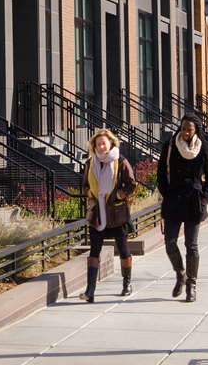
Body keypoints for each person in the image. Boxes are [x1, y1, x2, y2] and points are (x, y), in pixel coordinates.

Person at [157, 113, 208, 303]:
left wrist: (204, 197)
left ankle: (191, 285)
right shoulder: (170, 145)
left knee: (191, 244)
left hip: (194, 201)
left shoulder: (202, 147)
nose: (185, 133)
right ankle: (180, 273)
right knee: (170, 242)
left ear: (196, 130)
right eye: (183, 128)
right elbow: (160, 173)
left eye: (189, 130)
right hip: (174, 199)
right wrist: (167, 193)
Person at [80, 127, 137, 303]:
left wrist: (119, 194)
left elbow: (131, 184)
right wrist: (90, 193)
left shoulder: (120, 161)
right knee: (94, 250)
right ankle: (90, 290)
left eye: (103, 143)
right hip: (98, 213)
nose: (101, 147)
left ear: (111, 143)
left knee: (123, 249)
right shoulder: (90, 163)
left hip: (117, 213)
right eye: (98, 144)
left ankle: (127, 283)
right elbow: (84, 185)